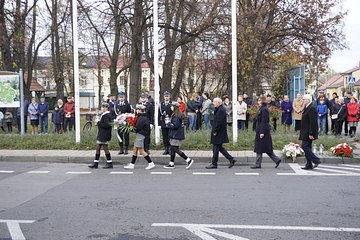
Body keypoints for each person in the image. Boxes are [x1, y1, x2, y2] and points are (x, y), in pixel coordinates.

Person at [251, 96, 282, 169]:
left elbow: (264, 121)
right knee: (264, 148)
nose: (258, 102)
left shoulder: (264, 109)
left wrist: (262, 132)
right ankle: (277, 160)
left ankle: (258, 164)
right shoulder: (262, 108)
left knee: (261, 147)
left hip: (263, 131)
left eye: (259, 101)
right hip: (261, 130)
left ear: (262, 101)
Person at [206, 98, 236, 169]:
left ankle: (214, 163)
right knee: (219, 148)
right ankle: (231, 159)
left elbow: (219, 122)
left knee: (216, 148)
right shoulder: (220, 109)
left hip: (219, 132)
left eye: (214, 102)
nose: (213, 104)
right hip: (219, 132)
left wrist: (215, 131)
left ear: (218, 103)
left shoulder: (221, 110)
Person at [124, 104, 156, 170]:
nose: (136, 110)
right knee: (135, 150)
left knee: (141, 150)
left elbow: (137, 127)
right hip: (140, 135)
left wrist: (130, 128)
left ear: (141, 110)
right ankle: (132, 164)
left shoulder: (142, 118)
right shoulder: (141, 117)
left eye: (137, 109)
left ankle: (150, 163)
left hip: (141, 135)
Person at [163, 102, 194, 169]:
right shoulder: (176, 114)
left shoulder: (176, 116)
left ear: (175, 107)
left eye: (172, 106)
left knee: (175, 149)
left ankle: (188, 160)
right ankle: (171, 163)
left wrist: (168, 123)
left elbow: (175, 126)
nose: (171, 107)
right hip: (175, 134)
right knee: (172, 149)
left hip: (176, 135)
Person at [88, 102, 113, 169]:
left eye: (102, 107)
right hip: (102, 133)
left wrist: (98, 122)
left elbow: (106, 125)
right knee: (99, 147)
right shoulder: (104, 115)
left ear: (106, 108)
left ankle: (109, 163)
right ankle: (96, 162)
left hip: (104, 134)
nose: (101, 108)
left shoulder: (107, 115)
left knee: (104, 148)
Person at [299, 94, 321, 170]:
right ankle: (309, 164)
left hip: (308, 131)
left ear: (308, 100)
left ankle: (316, 160)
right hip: (305, 131)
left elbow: (313, 122)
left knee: (304, 146)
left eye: (304, 99)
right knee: (307, 147)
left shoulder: (312, 108)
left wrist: (311, 133)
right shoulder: (307, 107)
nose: (303, 100)